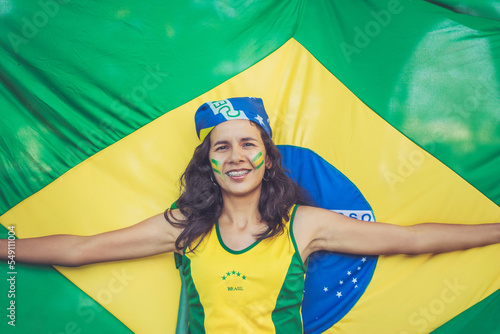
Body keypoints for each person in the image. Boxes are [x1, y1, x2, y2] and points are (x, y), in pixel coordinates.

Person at [1, 97, 499, 333]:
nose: (236, 156)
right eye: (222, 147)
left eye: (248, 143)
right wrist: (5, 249)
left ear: (266, 154)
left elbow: (411, 240)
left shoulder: (305, 224)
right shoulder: (185, 227)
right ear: (208, 161)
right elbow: (83, 250)